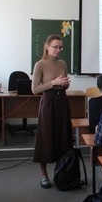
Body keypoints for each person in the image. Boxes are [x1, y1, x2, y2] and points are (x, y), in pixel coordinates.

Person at [32, 34, 73, 189]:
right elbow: (35, 89)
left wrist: (65, 83)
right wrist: (53, 82)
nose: (58, 50)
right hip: (48, 102)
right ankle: (44, 175)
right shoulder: (40, 64)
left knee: (63, 137)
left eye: (60, 47)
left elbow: (65, 85)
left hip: (62, 100)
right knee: (46, 137)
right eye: (55, 47)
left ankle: (61, 172)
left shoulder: (63, 63)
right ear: (47, 47)